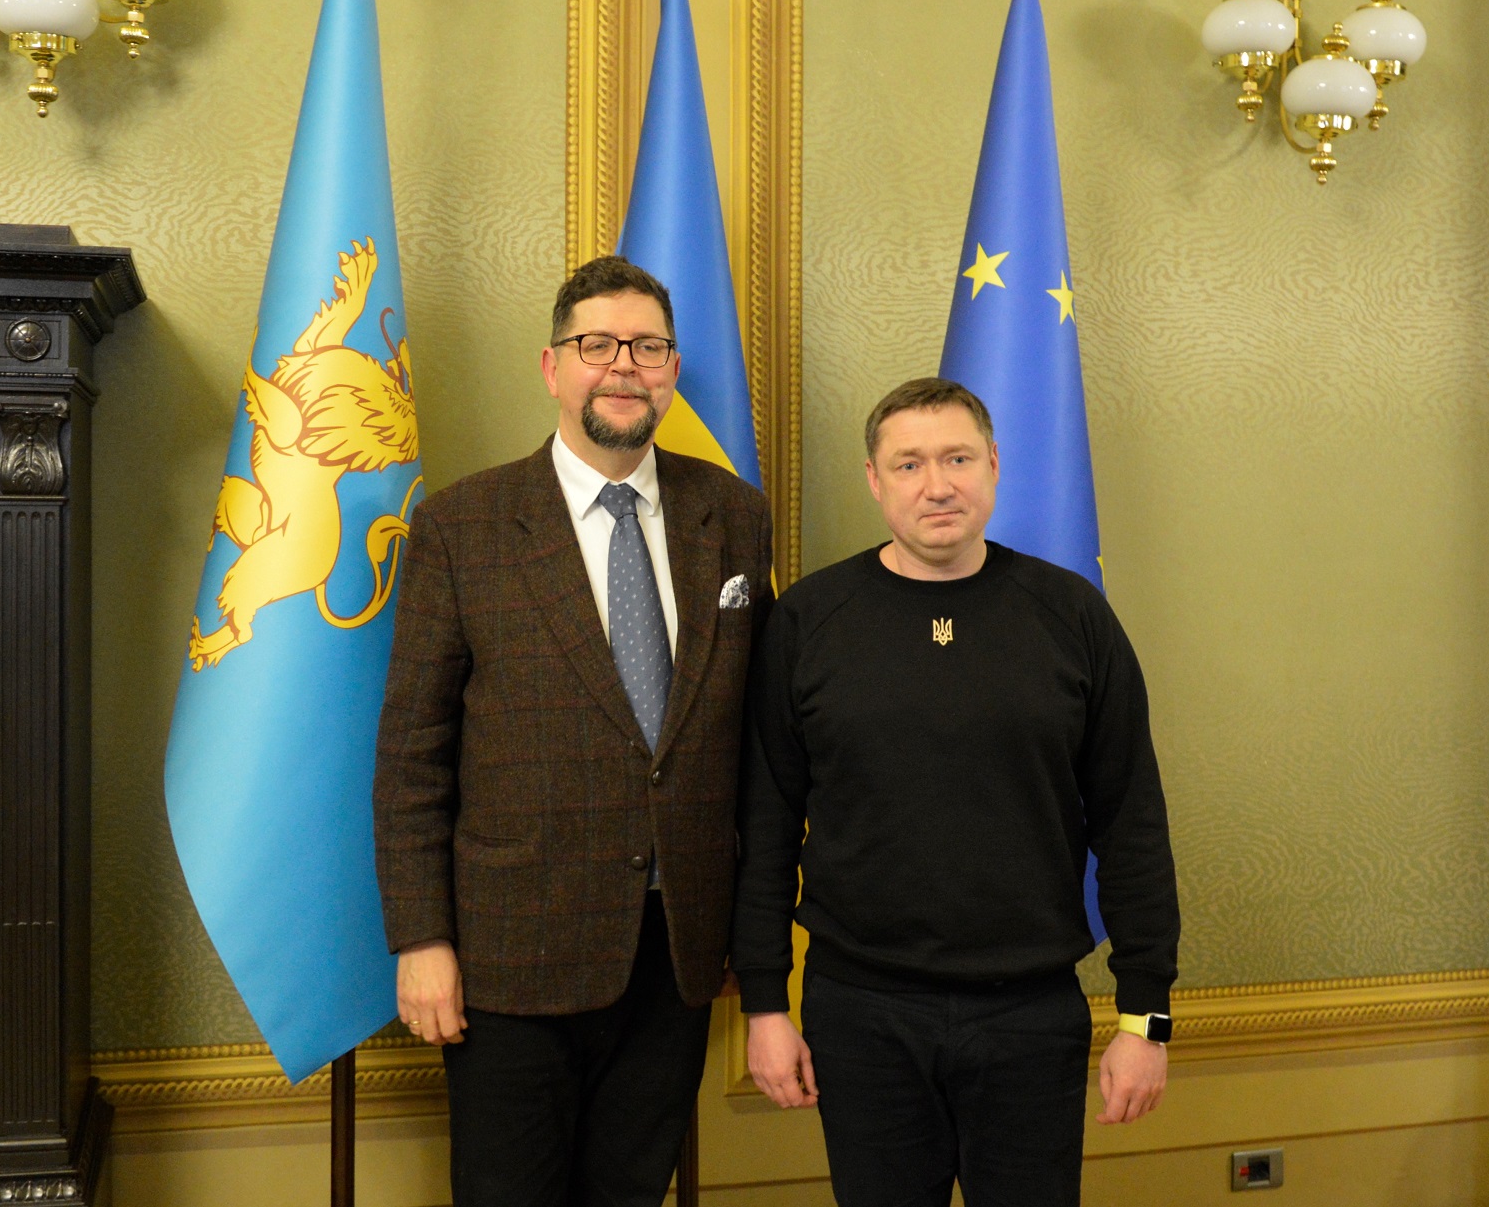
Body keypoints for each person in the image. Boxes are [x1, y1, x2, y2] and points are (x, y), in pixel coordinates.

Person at [373, 255, 774, 1207]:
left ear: (673, 370)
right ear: (553, 367)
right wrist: (421, 938)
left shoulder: (734, 515)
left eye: (648, 347)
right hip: (510, 955)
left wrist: (750, 938)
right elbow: (413, 756)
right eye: (598, 344)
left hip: (677, 952)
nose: (624, 365)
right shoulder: (464, 525)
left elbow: (756, 744)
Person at [731, 376, 1179, 1206]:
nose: (936, 484)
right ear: (874, 480)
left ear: (994, 465)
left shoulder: (1072, 615)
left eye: (958, 458)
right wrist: (764, 1003)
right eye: (909, 464)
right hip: (860, 1013)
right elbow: (765, 826)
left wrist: (1145, 1017)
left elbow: (1132, 822)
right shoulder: (807, 621)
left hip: (1030, 1015)